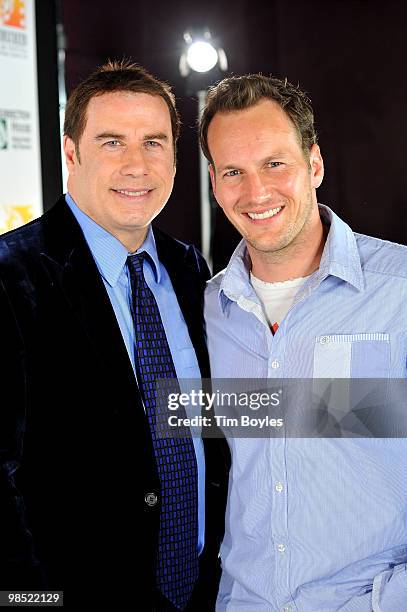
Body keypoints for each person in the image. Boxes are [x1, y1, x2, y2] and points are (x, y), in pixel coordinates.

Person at [0, 60, 229, 610]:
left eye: (154, 141)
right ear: (71, 154)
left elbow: (203, 419)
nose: (137, 164)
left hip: (204, 593)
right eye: (112, 142)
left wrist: (367, 412)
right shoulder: (11, 279)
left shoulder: (188, 269)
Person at [199, 74, 407, 611]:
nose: (256, 192)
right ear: (215, 185)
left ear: (314, 163)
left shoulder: (401, 291)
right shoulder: (206, 311)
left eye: (275, 163)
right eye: (233, 173)